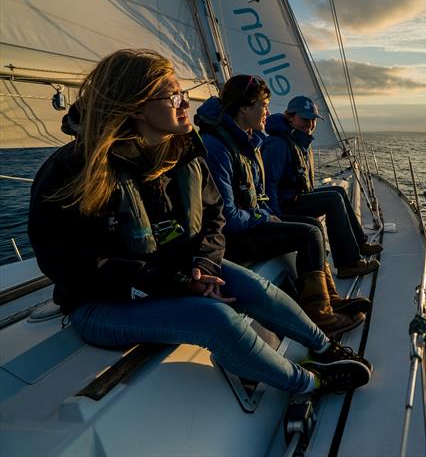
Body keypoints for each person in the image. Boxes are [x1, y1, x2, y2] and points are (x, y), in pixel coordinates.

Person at [28, 49, 371, 396]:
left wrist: (202, 264)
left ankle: (323, 348)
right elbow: (71, 264)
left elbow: (212, 216)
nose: (184, 104)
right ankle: (311, 382)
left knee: (256, 288)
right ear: (135, 105)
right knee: (216, 320)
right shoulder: (72, 173)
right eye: (173, 96)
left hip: (180, 271)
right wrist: (177, 283)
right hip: (104, 303)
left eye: (183, 94)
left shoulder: (182, 155)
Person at [194, 74, 370, 335]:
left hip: (250, 224)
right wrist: (266, 217)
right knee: (308, 232)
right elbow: (226, 217)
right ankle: (320, 316)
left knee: (310, 225)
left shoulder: (247, 140)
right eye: (263, 105)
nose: (267, 111)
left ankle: (328, 299)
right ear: (244, 106)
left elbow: (258, 194)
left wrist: (264, 214)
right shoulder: (217, 147)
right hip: (233, 238)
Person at [262, 96, 381, 279]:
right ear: (290, 117)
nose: (309, 124)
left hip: (297, 198)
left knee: (338, 191)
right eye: (304, 119)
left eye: (312, 120)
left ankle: (359, 244)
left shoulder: (299, 140)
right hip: (284, 206)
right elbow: (269, 184)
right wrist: (276, 217)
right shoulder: (278, 143)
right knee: (332, 200)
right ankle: (347, 264)